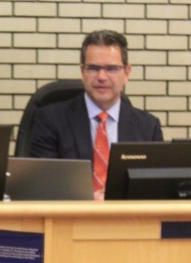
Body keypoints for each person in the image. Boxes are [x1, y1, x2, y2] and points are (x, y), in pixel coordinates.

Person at [29, 30, 163, 200]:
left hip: (128, 222)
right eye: (93, 68)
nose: (101, 77)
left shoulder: (148, 127)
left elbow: (155, 191)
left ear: (127, 73)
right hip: (70, 221)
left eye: (111, 68)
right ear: (82, 72)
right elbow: (41, 185)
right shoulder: (49, 120)